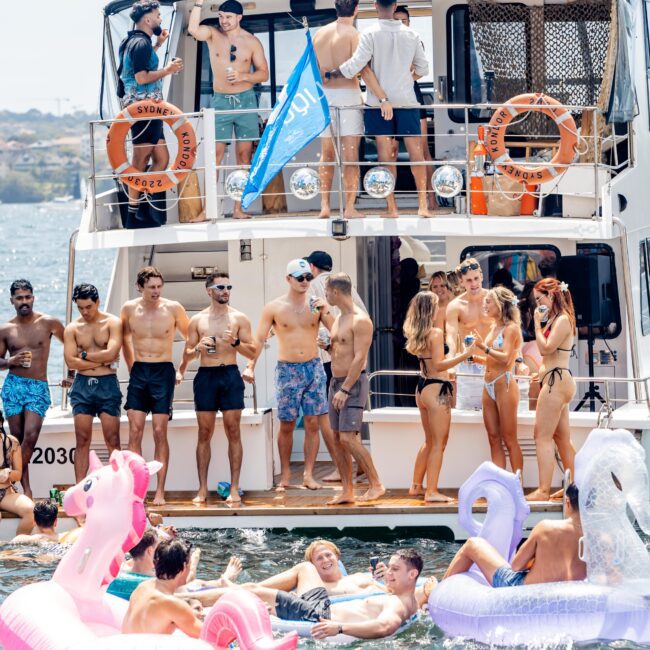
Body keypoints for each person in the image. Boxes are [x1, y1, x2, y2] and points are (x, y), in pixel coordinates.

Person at [327, 0, 432, 218]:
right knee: (417, 155)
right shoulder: (412, 35)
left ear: (375, 6)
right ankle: (423, 206)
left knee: (386, 158)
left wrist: (334, 73)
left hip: (377, 105)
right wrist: (405, 80)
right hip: (407, 102)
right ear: (394, 7)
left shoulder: (370, 33)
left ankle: (391, 208)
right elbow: (423, 68)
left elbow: (357, 65)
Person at [243, 259, 334, 490]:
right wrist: (250, 365)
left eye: (308, 278)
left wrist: (327, 310)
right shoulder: (274, 307)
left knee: (313, 422)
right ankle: (285, 474)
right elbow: (260, 339)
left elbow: (336, 331)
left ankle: (308, 474)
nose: (305, 282)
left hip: (313, 367)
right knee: (287, 424)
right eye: (300, 278)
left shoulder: (315, 305)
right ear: (288, 279)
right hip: (287, 370)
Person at [179, 271, 256, 505]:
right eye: (221, 287)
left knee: (234, 431)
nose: (225, 292)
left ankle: (234, 488)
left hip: (230, 374)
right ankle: (202, 489)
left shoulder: (239, 318)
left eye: (229, 287)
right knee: (204, 433)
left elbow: (252, 352)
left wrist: (235, 342)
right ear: (209, 291)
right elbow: (187, 354)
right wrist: (197, 349)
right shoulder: (197, 320)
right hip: (206, 376)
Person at [188, 0, 269, 219]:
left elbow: (264, 73)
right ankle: (208, 210)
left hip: (246, 102)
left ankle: (238, 209)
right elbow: (193, 30)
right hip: (221, 101)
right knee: (214, 155)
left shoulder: (252, 42)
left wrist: (244, 76)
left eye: (228, 17)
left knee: (243, 157)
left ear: (239, 18)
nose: (223, 21)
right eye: (221, 16)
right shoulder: (213, 35)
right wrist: (197, 4)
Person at [313, 0, 393, 219]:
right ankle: (349, 207)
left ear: (336, 8)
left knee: (327, 154)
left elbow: (314, 70)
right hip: (348, 96)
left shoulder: (319, 34)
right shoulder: (353, 35)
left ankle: (325, 206)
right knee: (350, 156)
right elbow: (363, 70)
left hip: (324, 96)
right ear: (356, 9)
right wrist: (383, 97)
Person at [121, 267, 190, 505]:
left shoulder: (173, 308)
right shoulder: (129, 308)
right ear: (140, 287)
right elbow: (124, 339)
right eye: (151, 287)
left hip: (163, 371)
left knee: (160, 431)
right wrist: (131, 367)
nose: (156, 291)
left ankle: (160, 490)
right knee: (135, 431)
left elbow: (192, 338)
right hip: (140, 371)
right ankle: (136, 491)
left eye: (159, 286)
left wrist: (182, 368)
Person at [248, 549, 422, 640]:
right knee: (305, 568)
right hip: (321, 608)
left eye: (395, 569)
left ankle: (221, 592)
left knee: (253, 591)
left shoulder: (397, 603)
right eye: (389, 567)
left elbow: (384, 627)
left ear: (412, 574)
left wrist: (338, 627)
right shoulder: (410, 599)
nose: (389, 572)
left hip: (317, 616)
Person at [403, 292, 474, 501]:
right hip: (436, 389)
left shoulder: (417, 333)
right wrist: (465, 354)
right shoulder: (434, 333)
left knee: (429, 441)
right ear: (430, 309)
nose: (439, 308)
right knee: (439, 444)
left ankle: (416, 486)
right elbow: (439, 365)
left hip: (422, 387)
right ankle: (432, 491)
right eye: (436, 305)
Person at [443, 483, 586, 587]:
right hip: (567, 594)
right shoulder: (599, 538)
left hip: (522, 592)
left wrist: (535, 561)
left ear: (567, 502)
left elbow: (516, 566)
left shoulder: (546, 528)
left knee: (472, 544)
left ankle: (436, 595)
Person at [118, 1, 183, 225]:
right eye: (157, 15)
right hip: (143, 110)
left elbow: (139, 65)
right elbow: (141, 77)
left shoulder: (135, 41)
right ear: (147, 19)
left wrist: (158, 45)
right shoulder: (139, 43)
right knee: (140, 160)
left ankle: (144, 205)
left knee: (162, 159)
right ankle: (133, 214)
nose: (160, 19)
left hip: (150, 109)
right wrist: (168, 70)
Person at [305, 250, 366, 483]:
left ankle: (342, 467)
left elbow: (313, 319)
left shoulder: (314, 287)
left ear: (312, 267)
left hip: (328, 359)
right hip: (349, 360)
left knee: (329, 420)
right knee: (349, 421)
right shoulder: (346, 288)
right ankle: (357, 465)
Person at [0, 279, 65, 497]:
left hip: (38, 386)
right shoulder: (6, 329)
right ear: (12, 301)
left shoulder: (49, 323)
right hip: (13, 386)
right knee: (17, 438)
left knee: (30, 435)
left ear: (33, 298)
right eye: (19, 298)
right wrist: (11, 361)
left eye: (28, 297)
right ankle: (26, 490)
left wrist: (72, 374)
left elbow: (72, 346)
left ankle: (7, 478)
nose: (24, 301)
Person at [324, 273, 384, 504]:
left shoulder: (361, 320)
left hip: (352, 384)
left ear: (336, 292)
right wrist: (328, 348)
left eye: (327, 291)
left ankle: (376, 484)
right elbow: (340, 352)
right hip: (335, 382)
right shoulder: (339, 318)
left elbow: (360, 358)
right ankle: (347, 491)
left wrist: (346, 389)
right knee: (338, 437)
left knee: (349, 438)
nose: (326, 295)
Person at [64, 284, 123, 483]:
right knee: (82, 440)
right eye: (80, 308)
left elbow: (112, 354)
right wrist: (101, 359)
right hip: (82, 386)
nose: (85, 311)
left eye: (89, 306)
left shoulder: (112, 322)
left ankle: (118, 486)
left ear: (97, 301)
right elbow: (70, 362)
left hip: (107, 384)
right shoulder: (72, 328)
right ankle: (80, 488)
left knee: (113, 439)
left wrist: (84, 355)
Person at [527, 278, 577, 501]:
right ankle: (576, 486)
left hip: (556, 382)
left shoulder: (563, 320)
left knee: (541, 436)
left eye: (540, 299)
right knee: (561, 437)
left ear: (552, 295)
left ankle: (543, 490)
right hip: (557, 380)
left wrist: (537, 324)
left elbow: (546, 348)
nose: (538, 305)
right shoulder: (557, 319)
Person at [471, 287, 524, 475]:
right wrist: (477, 358)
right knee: (493, 436)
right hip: (488, 384)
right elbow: (494, 359)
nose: (485, 304)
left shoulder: (511, 328)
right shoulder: (494, 327)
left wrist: (483, 348)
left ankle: (517, 484)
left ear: (501, 304)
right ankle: (499, 481)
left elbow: (506, 358)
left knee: (510, 438)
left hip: (505, 384)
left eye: (489, 301)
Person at [393, 4, 435, 210]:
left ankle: (431, 198)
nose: (401, 24)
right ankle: (389, 201)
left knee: (423, 150)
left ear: (409, 22)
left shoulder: (415, 40)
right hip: (391, 98)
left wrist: (401, 78)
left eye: (405, 21)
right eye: (397, 20)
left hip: (413, 95)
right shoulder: (385, 42)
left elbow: (418, 69)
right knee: (391, 151)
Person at [122, 539, 204, 636]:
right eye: (190, 565)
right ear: (184, 566)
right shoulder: (172, 604)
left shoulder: (143, 586)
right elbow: (207, 635)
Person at [446, 259, 493, 411]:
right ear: (461, 281)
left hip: (493, 362)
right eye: (469, 280)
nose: (474, 284)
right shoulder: (455, 306)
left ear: (482, 276)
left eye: (476, 278)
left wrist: (518, 361)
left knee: (497, 413)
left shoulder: (494, 300)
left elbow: (510, 329)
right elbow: (451, 336)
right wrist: (450, 362)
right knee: (467, 414)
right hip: (468, 366)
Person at [0, 410, 34, 535]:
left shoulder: (12, 442)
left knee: (31, 511)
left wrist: (8, 473)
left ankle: (18, 549)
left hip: (6, 493)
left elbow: (18, 474)